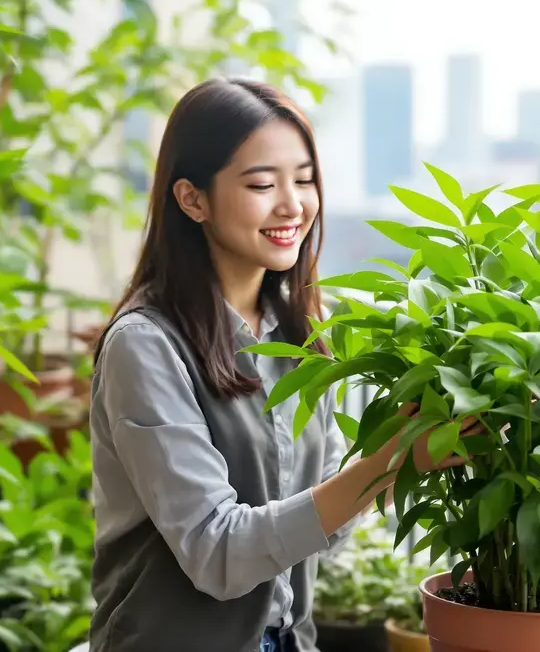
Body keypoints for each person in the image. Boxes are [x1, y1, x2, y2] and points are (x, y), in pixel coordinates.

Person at [88, 78, 477, 652]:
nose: (293, 205)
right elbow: (217, 554)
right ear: (192, 199)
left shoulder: (302, 330)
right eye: (262, 184)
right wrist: (386, 464)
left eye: (305, 179)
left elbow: (318, 530)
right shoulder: (145, 345)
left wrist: (408, 450)